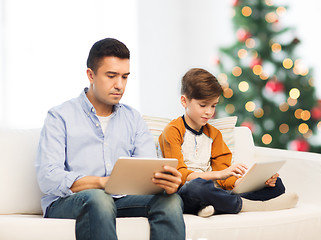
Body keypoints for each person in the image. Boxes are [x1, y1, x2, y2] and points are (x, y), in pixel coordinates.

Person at [35, 38, 185, 240]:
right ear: (91, 75)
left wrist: (166, 182)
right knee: (99, 198)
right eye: (111, 76)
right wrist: (101, 182)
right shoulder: (59, 116)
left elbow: (147, 171)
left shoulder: (134, 119)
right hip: (68, 202)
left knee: (171, 200)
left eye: (125, 77)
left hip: (119, 200)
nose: (119, 85)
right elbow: (48, 177)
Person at [159, 68, 298, 217]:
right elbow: (180, 176)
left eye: (213, 105)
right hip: (186, 192)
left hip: (214, 192)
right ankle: (245, 205)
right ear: (184, 101)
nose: (209, 112)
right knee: (197, 187)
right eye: (203, 105)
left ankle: (215, 206)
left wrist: (253, 182)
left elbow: (226, 178)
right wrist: (219, 174)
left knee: (277, 185)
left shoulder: (214, 134)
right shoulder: (172, 131)